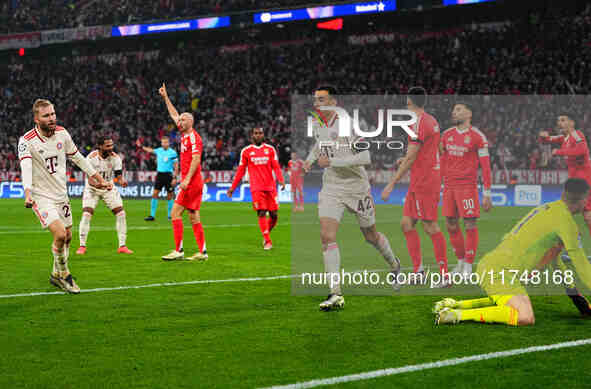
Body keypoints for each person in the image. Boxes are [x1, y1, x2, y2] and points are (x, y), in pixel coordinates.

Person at [434, 178, 591, 326]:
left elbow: (554, 258)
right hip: (501, 273)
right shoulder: (567, 225)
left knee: (509, 301)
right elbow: (583, 266)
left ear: (563, 194)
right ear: (584, 200)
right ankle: (456, 316)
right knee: (525, 315)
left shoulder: (546, 209)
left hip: (493, 266)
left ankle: (454, 304)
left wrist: (575, 296)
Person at [304, 85, 401, 311]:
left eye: (322, 99)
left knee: (370, 235)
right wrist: (309, 160)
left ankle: (395, 266)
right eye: (315, 99)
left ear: (334, 102)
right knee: (327, 235)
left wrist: (334, 162)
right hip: (331, 187)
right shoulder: (318, 124)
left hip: (357, 188)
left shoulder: (348, 123)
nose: (317, 103)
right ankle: (335, 293)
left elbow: (366, 156)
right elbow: (320, 145)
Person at [18, 99, 111, 294]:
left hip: (61, 194)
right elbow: (25, 167)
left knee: (68, 237)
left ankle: (55, 274)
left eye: (53, 114)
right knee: (60, 234)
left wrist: (96, 177)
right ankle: (64, 274)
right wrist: (28, 193)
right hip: (40, 196)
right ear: (36, 119)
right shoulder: (26, 140)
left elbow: (77, 157)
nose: (52, 118)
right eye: (46, 115)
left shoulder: (62, 133)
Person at [381, 87, 448, 283]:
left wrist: (391, 184)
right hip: (422, 178)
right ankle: (418, 272)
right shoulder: (431, 120)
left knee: (430, 226)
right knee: (406, 223)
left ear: (409, 103)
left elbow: (412, 156)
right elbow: (435, 148)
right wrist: (412, 159)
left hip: (424, 181)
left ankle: (444, 275)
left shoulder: (417, 123)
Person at [440, 102, 492, 278]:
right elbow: (441, 160)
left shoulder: (478, 137)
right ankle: (460, 261)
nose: (454, 112)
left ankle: (469, 266)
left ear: (469, 113)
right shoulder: (446, 135)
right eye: (454, 109)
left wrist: (487, 193)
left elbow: (485, 167)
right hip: (448, 186)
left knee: (469, 223)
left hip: (467, 187)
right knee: (450, 224)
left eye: (458, 109)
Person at [158, 83, 208, 261]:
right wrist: (165, 97)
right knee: (193, 216)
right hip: (193, 181)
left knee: (175, 214)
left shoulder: (194, 137)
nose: (179, 121)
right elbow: (173, 114)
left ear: (191, 122)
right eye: (179, 120)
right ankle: (202, 252)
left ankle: (178, 250)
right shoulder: (185, 134)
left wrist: (185, 179)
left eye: (183, 120)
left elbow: (196, 159)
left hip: (191, 182)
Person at [227, 127, 285, 250]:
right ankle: (268, 241)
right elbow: (240, 171)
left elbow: (276, 167)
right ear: (252, 136)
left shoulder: (270, 150)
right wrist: (233, 188)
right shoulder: (246, 151)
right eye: (256, 133)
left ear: (263, 135)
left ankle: (266, 234)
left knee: (274, 215)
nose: (258, 135)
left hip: (270, 187)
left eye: (260, 133)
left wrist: (281, 180)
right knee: (262, 212)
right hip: (256, 187)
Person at [76, 135, 133, 255]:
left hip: (108, 187)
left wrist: (121, 181)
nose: (111, 148)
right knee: (87, 214)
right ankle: (82, 246)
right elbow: (90, 178)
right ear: (100, 146)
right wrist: (97, 185)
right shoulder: (91, 158)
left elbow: (118, 175)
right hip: (92, 188)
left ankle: (122, 246)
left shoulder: (116, 158)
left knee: (121, 213)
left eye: (112, 145)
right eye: (108, 146)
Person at [539, 113, 591, 240]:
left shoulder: (576, 134)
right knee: (577, 215)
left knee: (573, 214)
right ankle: (574, 242)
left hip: (584, 180)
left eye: (563, 120)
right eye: (558, 120)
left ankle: (574, 242)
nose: (559, 123)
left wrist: (558, 152)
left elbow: (582, 150)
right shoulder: (564, 137)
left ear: (572, 123)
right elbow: (548, 140)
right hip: (575, 182)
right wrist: (543, 136)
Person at [140, 136, 179, 221]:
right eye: (163, 142)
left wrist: (175, 178)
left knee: (169, 196)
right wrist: (141, 147)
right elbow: (150, 150)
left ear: (169, 143)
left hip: (168, 175)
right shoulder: (159, 150)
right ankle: (152, 216)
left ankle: (170, 215)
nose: (164, 144)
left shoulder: (173, 153)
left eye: (166, 142)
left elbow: (176, 166)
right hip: (160, 175)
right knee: (155, 194)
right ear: (161, 143)